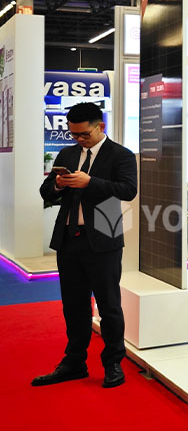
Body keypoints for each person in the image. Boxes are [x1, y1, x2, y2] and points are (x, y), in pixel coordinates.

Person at [33, 102, 138, 389]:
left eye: (84, 134)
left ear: (100, 126)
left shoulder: (121, 155)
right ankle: (74, 361)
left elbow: (128, 190)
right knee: (73, 304)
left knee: (109, 305)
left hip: (104, 237)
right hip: (69, 238)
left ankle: (113, 362)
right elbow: (46, 191)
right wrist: (59, 184)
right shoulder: (67, 154)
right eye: (74, 134)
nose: (79, 139)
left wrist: (89, 182)